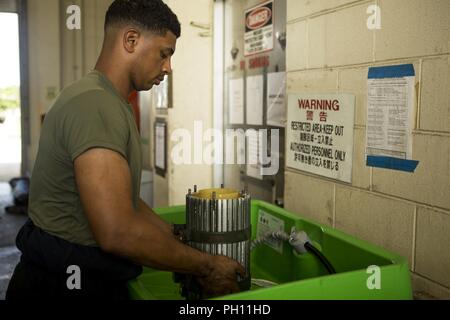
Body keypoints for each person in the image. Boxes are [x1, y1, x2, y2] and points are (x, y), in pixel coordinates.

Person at [6, 0, 244, 300]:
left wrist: (175, 237)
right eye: (164, 54)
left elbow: (123, 201)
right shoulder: (96, 105)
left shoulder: (105, 100)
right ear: (131, 40)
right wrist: (206, 266)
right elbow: (117, 231)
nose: (168, 68)